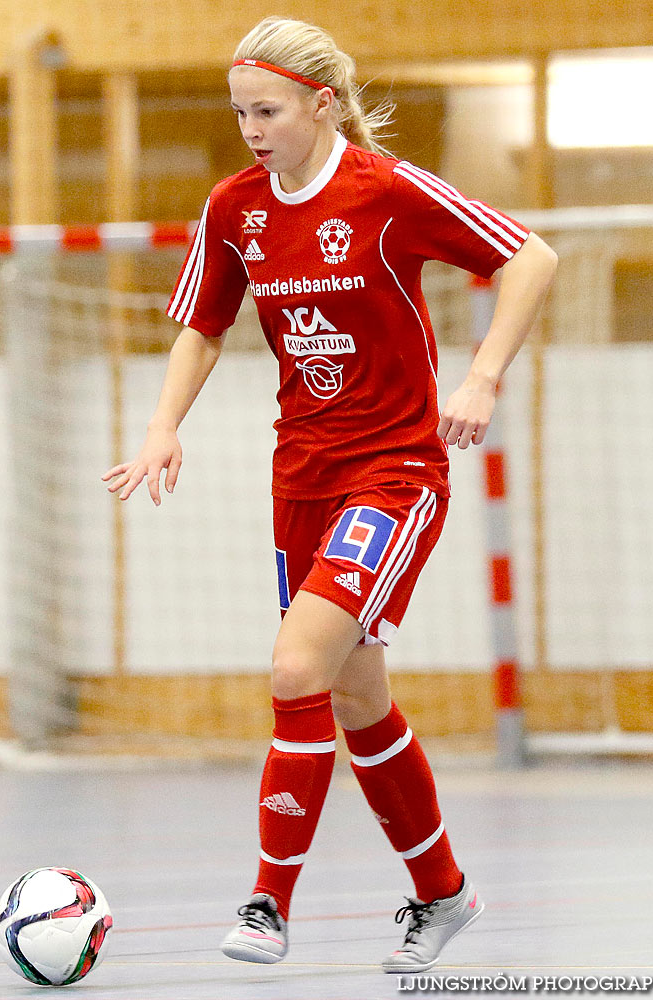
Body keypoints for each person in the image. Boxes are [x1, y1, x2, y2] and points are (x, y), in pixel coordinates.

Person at [101, 14, 557, 975]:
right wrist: (161, 425)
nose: (252, 130)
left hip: (393, 473)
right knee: (355, 698)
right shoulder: (235, 208)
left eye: (266, 110)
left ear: (319, 101)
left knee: (295, 668)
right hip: (299, 479)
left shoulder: (387, 192)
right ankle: (442, 894)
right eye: (239, 114)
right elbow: (201, 324)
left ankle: (267, 904)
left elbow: (530, 258)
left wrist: (478, 377)